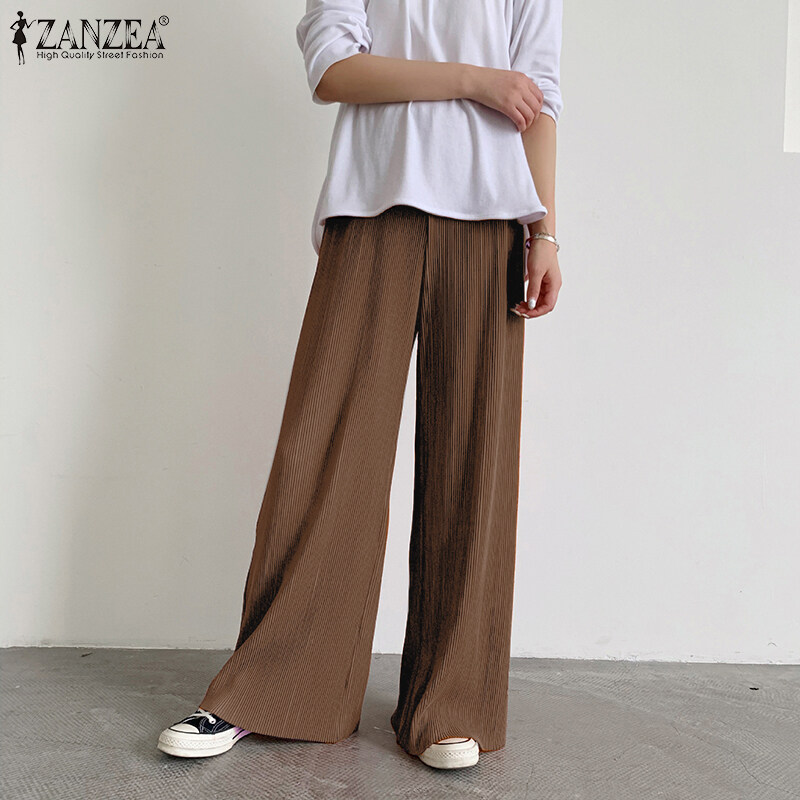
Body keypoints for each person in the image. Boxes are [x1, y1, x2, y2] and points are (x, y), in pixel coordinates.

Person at [157, 0, 563, 771]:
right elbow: (333, 69)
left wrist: (545, 233)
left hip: (492, 217)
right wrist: (474, 80)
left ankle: (451, 704)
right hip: (375, 201)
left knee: (473, 463)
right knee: (326, 452)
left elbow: (540, 100)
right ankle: (271, 690)